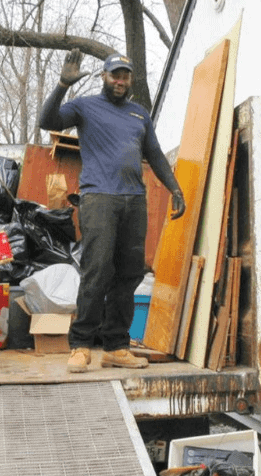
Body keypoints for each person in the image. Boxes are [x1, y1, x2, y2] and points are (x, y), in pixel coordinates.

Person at [39, 49, 186, 373]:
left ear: (130, 80)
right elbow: (47, 121)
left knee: (130, 273)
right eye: (114, 74)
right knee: (98, 270)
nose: (120, 80)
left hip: (134, 201)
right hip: (99, 199)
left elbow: (156, 154)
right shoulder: (86, 107)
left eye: (125, 75)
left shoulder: (139, 114)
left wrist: (174, 188)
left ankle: (116, 346)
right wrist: (63, 84)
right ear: (104, 77)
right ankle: (79, 346)